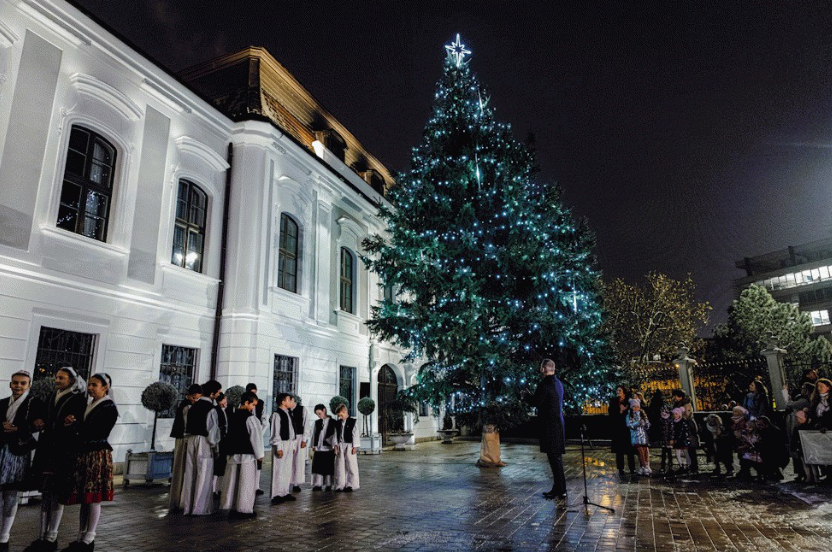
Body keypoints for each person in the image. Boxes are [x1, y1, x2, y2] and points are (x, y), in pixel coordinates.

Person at [25, 365, 87, 552]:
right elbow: (43, 415)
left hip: (63, 450)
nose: (57, 381)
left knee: (57, 492)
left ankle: (52, 536)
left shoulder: (77, 399)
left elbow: (79, 423)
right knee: (46, 492)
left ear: (71, 380)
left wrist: (72, 423)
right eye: (57, 378)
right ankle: (42, 535)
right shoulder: (52, 396)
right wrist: (38, 421)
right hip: (47, 447)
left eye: (61, 378)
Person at [59, 373, 119, 552]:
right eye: (90, 384)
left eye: (95, 385)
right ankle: (81, 535)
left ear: (105, 387)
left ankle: (89, 537)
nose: (91, 388)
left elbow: (95, 430)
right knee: (85, 497)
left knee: (93, 497)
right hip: (86, 453)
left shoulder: (108, 407)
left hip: (97, 454)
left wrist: (75, 425)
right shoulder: (91, 404)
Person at [0, 371, 42, 551]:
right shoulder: (2, 403)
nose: (18, 386)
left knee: (11, 492)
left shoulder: (34, 404)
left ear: (29, 385)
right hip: (1, 450)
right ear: (10, 384)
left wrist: (17, 428)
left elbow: (38, 424)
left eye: (22, 383)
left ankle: (4, 536)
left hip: (18, 451)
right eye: (15, 383)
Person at [179, 380, 222, 516]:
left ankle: (188, 506)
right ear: (212, 393)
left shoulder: (191, 407)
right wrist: (215, 447)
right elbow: (212, 430)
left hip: (191, 440)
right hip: (204, 441)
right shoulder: (211, 409)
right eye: (218, 392)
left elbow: (186, 426)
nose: (219, 395)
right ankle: (200, 508)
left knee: (190, 473)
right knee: (203, 473)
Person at [220, 391, 264, 519]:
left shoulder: (232, 416)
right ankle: (244, 509)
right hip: (247, 454)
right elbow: (255, 437)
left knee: (233, 481)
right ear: (246, 403)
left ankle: (232, 506)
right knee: (246, 481)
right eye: (253, 405)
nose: (253, 408)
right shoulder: (251, 418)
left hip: (233, 452)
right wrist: (260, 454)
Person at [528, 358, 567, 499]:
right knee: (556, 459)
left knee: (554, 459)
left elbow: (536, 401)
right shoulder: (558, 383)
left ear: (543, 369)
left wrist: (526, 396)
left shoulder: (545, 384)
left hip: (550, 426)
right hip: (558, 424)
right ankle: (558, 488)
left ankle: (561, 490)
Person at [169, 384, 202, 510]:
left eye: (197, 399)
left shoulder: (187, 405)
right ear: (189, 396)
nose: (195, 401)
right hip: (183, 439)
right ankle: (179, 499)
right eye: (194, 398)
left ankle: (180, 499)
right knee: (181, 469)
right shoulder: (187, 407)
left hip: (183, 438)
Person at [781, 382, 813, 482]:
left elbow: (789, 403)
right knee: (795, 450)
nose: (801, 390)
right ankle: (800, 473)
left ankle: (804, 473)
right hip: (793, 426)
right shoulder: (802, 400)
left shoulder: (803, 401)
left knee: (798, 451)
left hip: (799, 427)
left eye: (803, 388)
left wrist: (784, 391)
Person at [269, 393, 296, 504]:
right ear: (283, 402)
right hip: (281, 444)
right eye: (289, 400)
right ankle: (277, 494)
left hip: (289, 443)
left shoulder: (289, 413)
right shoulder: (276, 414)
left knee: (287, 469)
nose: (291, 402)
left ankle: (285, 491)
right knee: (278, 469)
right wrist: (278, 447)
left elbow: (292, 430)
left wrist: (293, 445)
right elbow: (275, 432)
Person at [244, 384, 267, 496]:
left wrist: (259, 432)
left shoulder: (260, 403)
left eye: (254, 392)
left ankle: (256, 486)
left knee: (258, 461)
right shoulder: (243, 402)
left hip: (258, 432)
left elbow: (264, 420)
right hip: (245, 435)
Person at [608, 386, 635, 477]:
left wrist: (626, 410)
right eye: (617, 390)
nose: (618, 392)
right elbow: (611, 413)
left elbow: (634, 411)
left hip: (627, 428)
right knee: (619, 450)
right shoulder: (614, 401)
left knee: (629, 449)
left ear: (624, 392)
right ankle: (620, 468)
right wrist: (620, 411)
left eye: (620, 390)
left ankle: (632, 468)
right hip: (618, 428)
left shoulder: (629, 401)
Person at [333, 403, 360, 492]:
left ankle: (350, 484)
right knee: (339, 465)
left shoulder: (353, 422)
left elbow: (355, 434)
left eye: (341, 415)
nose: (340, 417)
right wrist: (335, 446)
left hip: (349, 445)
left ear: (345, 412)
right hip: (340, 445)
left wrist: (355, 446)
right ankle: (339, 485)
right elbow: (335, 435)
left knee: (350, 465)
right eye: (338, 416)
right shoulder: (337, 423)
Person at [310, 404, 336, 491]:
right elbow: (313, 434)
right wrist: (313, 445)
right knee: (317, 466)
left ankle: (329, 484)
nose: (318, 415)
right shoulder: (317, 422)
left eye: (319, 413)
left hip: (329, 448)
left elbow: (335, 435)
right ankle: (317, 484)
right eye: (317, 414)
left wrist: (334, 445)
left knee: (328, 466)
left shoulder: (333, 422)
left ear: (324, 410)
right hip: (318, 448)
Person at [290, 398, 310, 493]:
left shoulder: (302, 409)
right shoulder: (286, 410)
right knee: (289, 460)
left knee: (299, 461)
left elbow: (306, 424)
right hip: (289, 438)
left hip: (299, 437)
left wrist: (304, 439)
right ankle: (287, 481)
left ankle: (296, 483)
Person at [626, 398, 651, 476]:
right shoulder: (629, 415)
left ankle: (645, 465)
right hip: (635, 436)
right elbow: (629, 425)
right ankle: (644, 466)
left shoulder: (642, 414)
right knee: (640, 451)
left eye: (637, 406)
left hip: (643, 436)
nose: (636, 408)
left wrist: (646, 423)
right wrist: (637, 423)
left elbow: (648, 425)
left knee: (645, 450)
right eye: (634, 406)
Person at [212, 392, 229, 496]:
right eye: (222, 403)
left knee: (222, 465)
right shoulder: (216, 411)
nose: (224, 404)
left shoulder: (227, 410)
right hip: (219, 439)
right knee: (217, 466)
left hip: (225, 440)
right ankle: (214, 489)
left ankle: (220, 488)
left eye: (225, 402)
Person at [670, 407, 691, 473]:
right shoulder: (673, 422)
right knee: (677, 454)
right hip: (678, 440)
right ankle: (681, 465)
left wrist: (676, 439)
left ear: (679, 414)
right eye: (674, 414)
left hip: (683, 440)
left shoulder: (682, 422)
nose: (674, 415)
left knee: (686, 453)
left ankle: (688, 466)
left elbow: (682, 432)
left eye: (676, 414)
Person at [656, 405, 674, 474]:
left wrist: (671, 439)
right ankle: (663, 466)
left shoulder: (670, 420)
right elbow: (659, 430)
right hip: (663, 440)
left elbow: (672, 431)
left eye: (665, 411)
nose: (664, 413)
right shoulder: (661, 419)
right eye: (662, 411)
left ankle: (670, 465)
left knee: (669, 453)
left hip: (668, 440)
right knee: (663, 453)